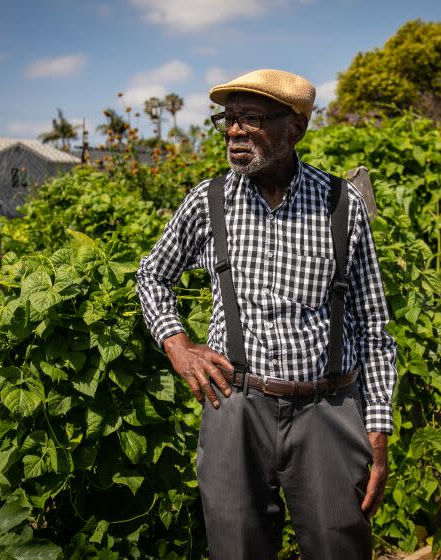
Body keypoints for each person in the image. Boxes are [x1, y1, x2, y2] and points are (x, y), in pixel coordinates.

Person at [135, 69, 397, 560]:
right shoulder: (207, 202)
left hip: (326, 411)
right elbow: (151, 275)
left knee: (339, 545)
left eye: (251, 118)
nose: (234, 131)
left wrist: (377, 431)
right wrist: (179, 346)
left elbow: (374, 328)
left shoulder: (342, 205)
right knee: (236, 549)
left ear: (295, 127)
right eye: (228, 119)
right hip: (235, 407)